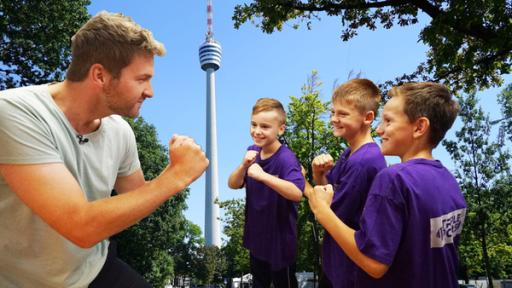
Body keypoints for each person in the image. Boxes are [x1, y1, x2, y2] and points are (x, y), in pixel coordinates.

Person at [0, 11, 208, 288]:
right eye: (142, 79)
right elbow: (80, 226)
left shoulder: (120, 131)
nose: (150, 92)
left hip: (93, 267)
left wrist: (171, 171)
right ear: (100, 75)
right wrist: (176, 177)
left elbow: (136, 199)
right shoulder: (14, 113)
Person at [305, 82, 467, 287]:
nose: (379, 130)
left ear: (419, 127)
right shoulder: (449, 181)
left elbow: (374, 263)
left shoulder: (394, 179)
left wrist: (321, 210)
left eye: (388, 121)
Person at [308, 79, 386, 288]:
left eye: (342, 114)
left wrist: (304, 186)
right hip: (336, 264)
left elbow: (328, 212)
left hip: (350, 271)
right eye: (333, 112)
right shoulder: (350, 153)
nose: (334, 119)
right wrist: (319, 174)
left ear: (368, 117)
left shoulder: (364, 162)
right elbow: (329, 192)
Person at [228, 98, 305, 288]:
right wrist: (243, 166)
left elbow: (297, 192)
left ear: (281, 129)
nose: (257, 131)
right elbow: (233, 184)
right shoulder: (252, 152)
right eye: (253, 124)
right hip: (257, 237)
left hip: (280, 241)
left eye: (265, 126)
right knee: (259, 283)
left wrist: (263, 176)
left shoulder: (286, 158)